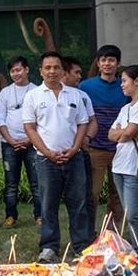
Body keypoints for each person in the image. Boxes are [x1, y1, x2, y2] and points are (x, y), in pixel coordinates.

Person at [23, 51, 91, 264]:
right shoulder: (32, 96)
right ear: (40, 71)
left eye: (56, 67)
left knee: (78, 204)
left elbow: (82, 124)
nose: (52, 71)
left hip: (75, 157)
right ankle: (49, 247)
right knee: (48, 205)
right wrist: (47, 152)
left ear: (63, 71)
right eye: (47, 67)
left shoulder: (75, 95)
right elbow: (30, 128)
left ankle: (81, 247)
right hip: (46, 160)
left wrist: (74, 148)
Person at [79, 45, 126, 232]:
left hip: (121, 148)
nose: (107, 63)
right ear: (98, 63)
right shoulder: (86, 87)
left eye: (111, 60)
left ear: (118, 63)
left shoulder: (125, 85)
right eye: (103, 60)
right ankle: (89, 233)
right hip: (95, 148)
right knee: (93, 193)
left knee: (118, 194)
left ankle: (113, 235)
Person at [0, 56, 40, 228]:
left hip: (33, 144)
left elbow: (40, 120)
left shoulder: (36, 91)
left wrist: (30, 139)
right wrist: (10, 139)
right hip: (9, 144)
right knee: (11, 183)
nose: (16, 74)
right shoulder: (5, 93)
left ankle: (40, 216)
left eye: (19, 70)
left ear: (27, 70)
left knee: (36, 182)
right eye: (12, 71)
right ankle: (10, 216)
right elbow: (0, 118)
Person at [61, 55, 99, 239]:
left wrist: (87, 137)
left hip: (80, 154)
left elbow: (91, 122)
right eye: (76, 72)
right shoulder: (42, 94)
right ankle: (50, 245)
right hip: (52, 155)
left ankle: (87, 236)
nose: (79, 76)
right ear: (64, 73)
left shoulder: (82, 96)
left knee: (84, 197)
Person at [108, 65, 138, 248]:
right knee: (129, 213)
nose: (122, 85)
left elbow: (127, 134)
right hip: (119, 165)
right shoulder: (126, 107)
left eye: (125, 81)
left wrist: (123, 133)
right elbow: (110, 134)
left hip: (133, 167)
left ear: (137, 81)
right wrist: (123, 133)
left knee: (133, 213)